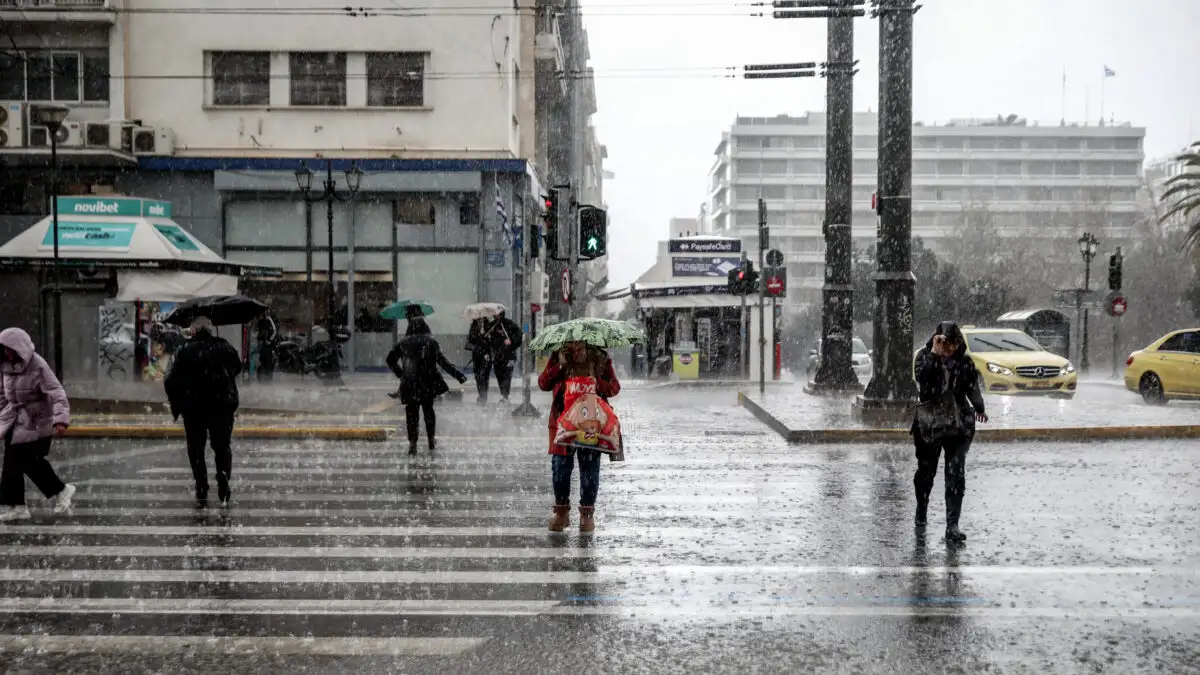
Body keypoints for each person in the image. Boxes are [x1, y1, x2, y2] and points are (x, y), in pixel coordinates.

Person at [912, 321, 988, 542]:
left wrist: (979, 408)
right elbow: (924, 383)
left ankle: (952, 525)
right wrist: (935, 355)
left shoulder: (964, 361)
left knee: (956, 473)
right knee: (926, 472)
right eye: (946, 343)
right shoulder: (925, 357)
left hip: (958, 424)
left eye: (953, 344)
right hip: (930, 424)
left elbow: (972, 387)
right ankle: (921, 508)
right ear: (937, 340)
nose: (950, 348)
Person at [538, 341, 620, 533]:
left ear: (587, 344)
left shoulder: (600, 358)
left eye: (580, 347)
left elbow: (614, 388)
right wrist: (560, 366)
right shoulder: (559, 356)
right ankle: (561, 512)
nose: (577, 352)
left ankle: (586, 514)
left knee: (590, 469)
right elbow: (543, 383)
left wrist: (596, 381)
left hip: (591, 424)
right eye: (573, 347)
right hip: (563, 423)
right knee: (560, 468)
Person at [165, 316, 243, 506]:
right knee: (222, 446)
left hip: (194, 408)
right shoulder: (224, 346)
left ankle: (201, 484)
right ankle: (223, 473)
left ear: (193, 331)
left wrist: (177, 402)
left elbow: (170, 379)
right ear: (209, 330)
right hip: (221, 406)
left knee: (196, 448)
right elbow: (237, 366)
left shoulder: (184, 350)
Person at [0, 327, 74, 522]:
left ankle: (60, 490)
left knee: (28, 462)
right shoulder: (5, 367)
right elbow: (2, 396)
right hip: (14, 421)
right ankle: (18, 505)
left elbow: (56, 392)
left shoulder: (37, 365)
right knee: (11, 465)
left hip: (36, 421)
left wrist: (61, 419)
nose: (6, 353)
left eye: (9, 348)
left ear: (18, 348)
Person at [386, 316, 467, 454]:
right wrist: (458, 375)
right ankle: (431, 439)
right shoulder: (431, 341)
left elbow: (390, 359)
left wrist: (401, 374)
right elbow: (442, 362)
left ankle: (413, 442)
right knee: (428, 411)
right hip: (427, 382)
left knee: (411, 413)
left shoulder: (403, 343)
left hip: (410, 383)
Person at [488, 311, 522, 403]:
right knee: (499, 374)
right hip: (498, 356)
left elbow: (518, 337)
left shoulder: (509, 324)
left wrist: (511, 341)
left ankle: (505, 395)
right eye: (495, 314)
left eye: (498, 314)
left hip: (509, 355)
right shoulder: (492, 326)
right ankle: (503, 393)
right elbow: (489, 341)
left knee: (507, 374)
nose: (496, 316)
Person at [467, 317, 494, 404]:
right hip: (477, 355)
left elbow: (492, 341)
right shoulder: (473, 326)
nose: (480, 319)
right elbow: (471, 339)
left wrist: (487, 337)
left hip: (486, 355)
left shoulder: (489, 326)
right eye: (479, 318)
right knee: (478, 376)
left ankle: (483, 396)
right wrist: (478, 336)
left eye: (482, 318)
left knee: (484, 376)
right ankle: (481, 394)